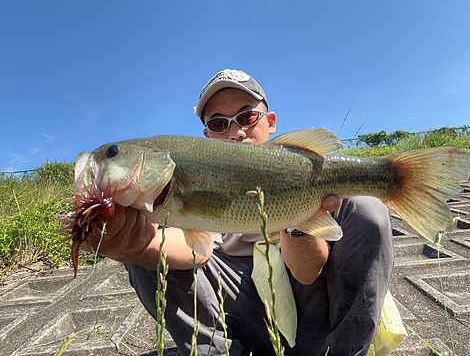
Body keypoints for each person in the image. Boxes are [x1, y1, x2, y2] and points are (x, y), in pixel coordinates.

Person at [82, 69, 396, 355]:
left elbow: (307, 272)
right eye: (219, 124)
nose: (236, 132)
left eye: (247, 117)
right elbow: (198, 251)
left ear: (270, 122)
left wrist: (299, 220)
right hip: (237, 311)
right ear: (207, 135)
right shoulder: (174, 190)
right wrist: (140, 248)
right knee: (151, 252)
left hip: (313, 312)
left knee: (366, 207)